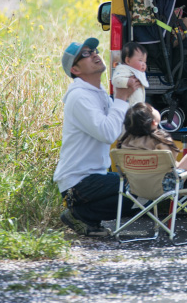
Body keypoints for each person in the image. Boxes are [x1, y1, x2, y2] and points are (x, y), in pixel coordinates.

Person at [53, 37, 142, 237]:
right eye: (85, 54)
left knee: (146, 186)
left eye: (94, 50)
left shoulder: (98, 92)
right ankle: (80, 213)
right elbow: (107, 133)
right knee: (139, 189)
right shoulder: (79, 97)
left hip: (94, 178)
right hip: (78, 183)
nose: (94, 54)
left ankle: (87, 216)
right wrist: (120, 97)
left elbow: (119, 130)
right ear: (75, 70)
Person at [115, 102, 187, 170]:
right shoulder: (160, 140)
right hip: (163, 187)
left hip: (134, 187)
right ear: (154, 122)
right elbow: (172, 161)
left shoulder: (125, 141)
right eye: (153, 109)